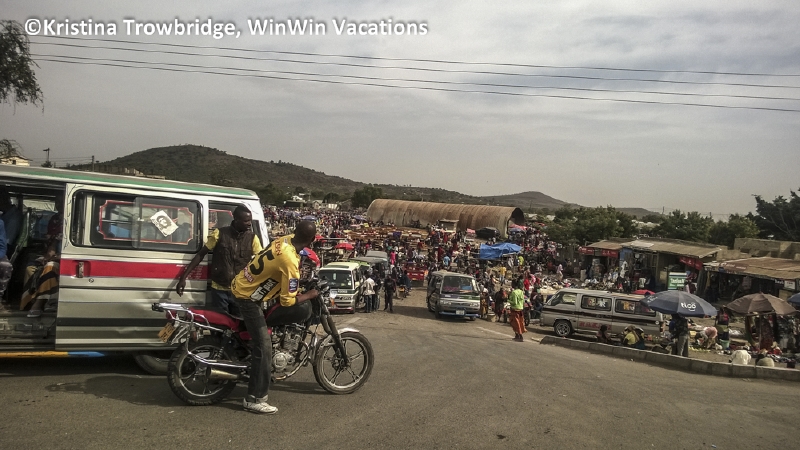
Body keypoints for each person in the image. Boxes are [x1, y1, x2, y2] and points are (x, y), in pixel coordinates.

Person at [229, 220, 319, 415]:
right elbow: (288, 301)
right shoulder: (290, 261)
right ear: (312, 240)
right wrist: (309, 295)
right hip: (247, 298)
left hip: (242, 284)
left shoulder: (284, 240)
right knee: (264, 347)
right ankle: (254, 399)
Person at [176, 205, 261, 316]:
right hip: (219, 289)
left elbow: (261, 261)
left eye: (250, 220)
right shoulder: (219, 234)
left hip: (240, 291)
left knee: (239, 323)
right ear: (236, 220)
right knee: (220, 322)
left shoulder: (253, 238)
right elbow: (200, 255)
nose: (249, 224)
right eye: (246, 221)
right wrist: (183, 277)